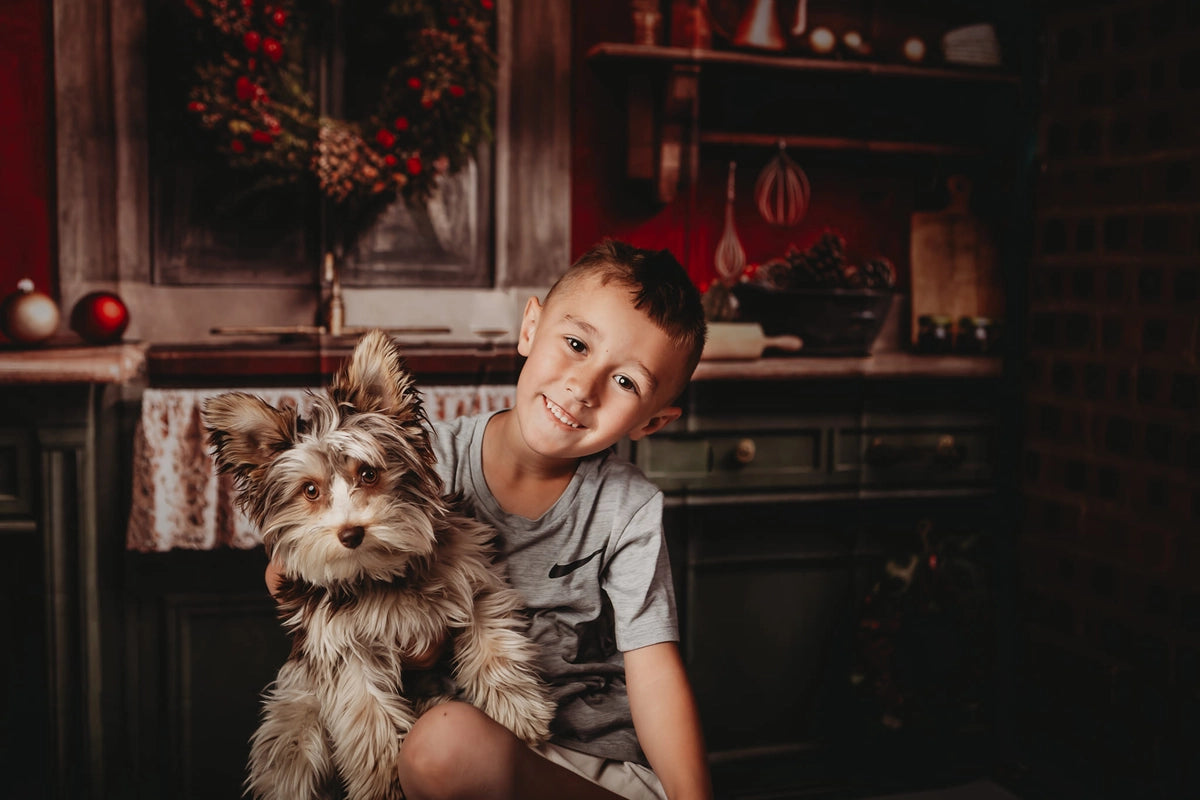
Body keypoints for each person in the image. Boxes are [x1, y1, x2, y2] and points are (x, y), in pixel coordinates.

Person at [268, 239, 712, 800]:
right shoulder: (418, 463)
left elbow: (654, 670)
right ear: (530, 328)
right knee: (435, 745)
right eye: (575, 344)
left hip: (581, 764)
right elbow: (292, 571)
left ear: (652, 422)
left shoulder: (628, 508)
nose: (583, 387)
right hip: (455, 749)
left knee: (439, 746)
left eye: (626, 382)